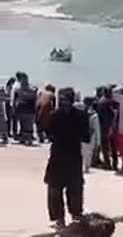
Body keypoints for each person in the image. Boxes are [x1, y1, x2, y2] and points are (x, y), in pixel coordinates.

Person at [44, 88, 90, 229]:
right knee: (74, 187)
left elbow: (49, 134)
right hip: (73, 154)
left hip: (58, 154)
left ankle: (59, 218)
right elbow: (86, 136)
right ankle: (75, 215)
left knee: (55, 187)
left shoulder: (54, 115)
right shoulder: (81, 116)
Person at [96, 87, 118, 170]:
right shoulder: (114, 102)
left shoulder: (101, 102)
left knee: (105, 146)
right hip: (113, 125)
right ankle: (114, 164)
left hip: (104, 126)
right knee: (113, 146)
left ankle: (107, 163)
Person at [13, 73, 37, 145]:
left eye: (25, 79)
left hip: (29, 109)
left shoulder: (32, 88)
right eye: (22, 80)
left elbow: (35, 97)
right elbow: (14, 99)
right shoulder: (18, 89)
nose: (23, 81)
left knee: (28, 125)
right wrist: (14, 107)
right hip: (21, 108)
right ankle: (23, 138)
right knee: (22, 124)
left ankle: (28, 139)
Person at [81, 97, 102, 174]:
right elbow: (97, 129)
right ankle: (86, 167)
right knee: (89, 153)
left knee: (83, 152)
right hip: (91, 136)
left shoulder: (80, 112)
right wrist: (98, 142)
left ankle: (83, 166)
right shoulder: (94, 115)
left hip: (82, 136)